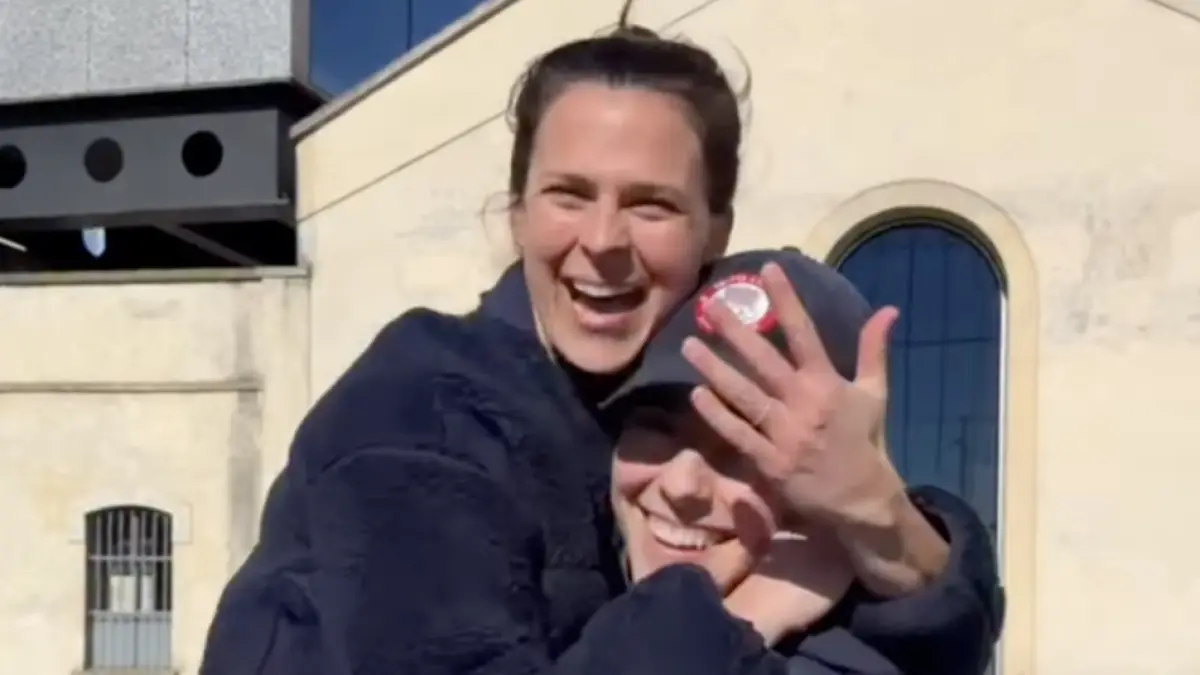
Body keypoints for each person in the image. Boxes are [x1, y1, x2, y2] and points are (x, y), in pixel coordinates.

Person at [198, 9, 1002, 675]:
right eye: (568, 195)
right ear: (517, 213)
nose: (604, 240)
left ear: (715, 230)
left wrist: (883, 521)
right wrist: (745, 612)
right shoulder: (421, 407)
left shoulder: (643, 415)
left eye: (651, 204)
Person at [605, 248, 1002, 675]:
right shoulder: (580, 590)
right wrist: (733, 627)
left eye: (744, 447)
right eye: (656, 428)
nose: (682, 486)